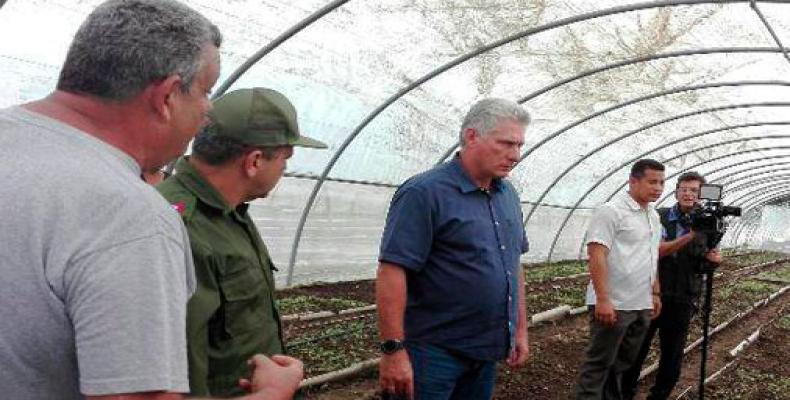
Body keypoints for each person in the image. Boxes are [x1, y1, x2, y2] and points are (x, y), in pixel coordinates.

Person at [0, 1, 301, 399]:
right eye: (206, 92)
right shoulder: (128, 214)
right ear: (167, 96)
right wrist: (272, 394)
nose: (208, 110)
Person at [157, 87, 327, 397]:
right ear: (255, 161)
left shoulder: (230, 213)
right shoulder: (183, 229)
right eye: (285, 160)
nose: (285, 170)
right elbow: (176, 383)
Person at [376, 98, 531, 400]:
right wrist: (393, 350)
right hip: (432, 353)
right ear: (472, 136)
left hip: (484, 353)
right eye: (506, 144)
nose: (515, 155)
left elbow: (514, 265)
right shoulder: (424, 192)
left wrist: (520, 330)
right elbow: (392, 270)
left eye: (519, 146)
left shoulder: (507, 194)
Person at [621, 172, 722, 400]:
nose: (688, 194)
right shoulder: (658, 217)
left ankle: (658, 396)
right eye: (684, 189)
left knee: (672, 355)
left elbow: (702, 266)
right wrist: (690, 236)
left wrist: (713, 262)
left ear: (701, 195)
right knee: (636, 349)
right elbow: (654, 251)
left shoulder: (708, 224)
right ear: (676, 191)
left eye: (694, 191)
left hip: (684, 296)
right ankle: (625, 393)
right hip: (651, 293)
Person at [575, 159, 665, 400]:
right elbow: (597, 254)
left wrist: (654, 293)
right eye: (652, 181)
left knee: (622, 365)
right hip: (614, 303)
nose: (658, 188)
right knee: (598, 365)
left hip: (641, 303)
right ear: (633, 181)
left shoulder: (653, 216)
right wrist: (603, 299)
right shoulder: (611, 211)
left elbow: (651, 256)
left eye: (662, 183)